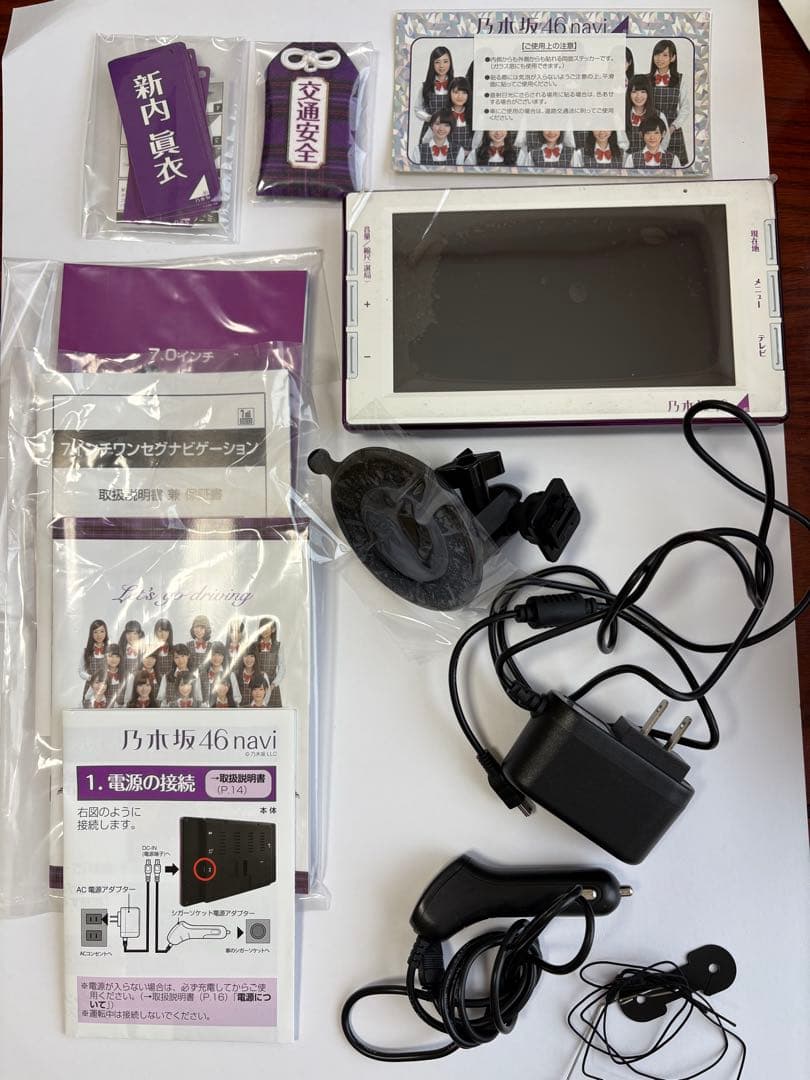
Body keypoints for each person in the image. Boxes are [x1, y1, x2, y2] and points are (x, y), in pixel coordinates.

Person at [649, 38, 689, 166]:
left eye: (665, 55)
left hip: (672, 130)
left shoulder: (680, 79)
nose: (659, 58)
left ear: (673, 58)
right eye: (657, 54)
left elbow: (685, 107)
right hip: (650, 129)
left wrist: (673, 127)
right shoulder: (646, 79)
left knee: (674, 166)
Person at [625, 75, 667, 159]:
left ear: (648, 93)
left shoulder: (660, 116)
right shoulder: (621, 116)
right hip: (626, 162)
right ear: (629, 94)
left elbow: (664, 143)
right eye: (634, 92)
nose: (638, 96)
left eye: (643, 91)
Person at [253, 617, 284, 707]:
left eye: (267, 628)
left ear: (273, 629)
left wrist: (274, 684)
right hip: (258, 686)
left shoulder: (278, 646)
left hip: (272, 685)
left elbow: (282, 667)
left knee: (274, 713)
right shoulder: (254, 645)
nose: (264, 631)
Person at [419, 46, 454, 117]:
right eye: (437, 62)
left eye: (445, 61)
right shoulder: (425, 86)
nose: (441, 66)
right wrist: (431, 119)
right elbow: (418, 109)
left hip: (451, 123)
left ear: (450, 63)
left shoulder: (455, 85)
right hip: (431, 123)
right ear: (432, 64)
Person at [447, 76, 473, 155]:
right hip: (448, 157)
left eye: (464, 93)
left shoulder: (474, 116)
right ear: (449, 93)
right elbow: (427, 140)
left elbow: (479, 142)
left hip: (469, 158)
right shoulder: (442, 114)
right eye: (456, 92)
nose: (460, 96)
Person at [80, 620, 109, 686]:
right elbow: (81, 671)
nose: (99, 635)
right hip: (91, 685)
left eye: (102, 631)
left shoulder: (109, 650)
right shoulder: (86, 651)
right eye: (95, 632)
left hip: (105, 686)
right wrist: (90, 677)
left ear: (106, 632)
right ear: (91, 634)